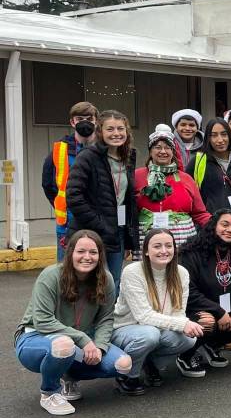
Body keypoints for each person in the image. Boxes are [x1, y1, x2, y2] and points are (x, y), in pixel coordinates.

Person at [15, 230, 132, 415]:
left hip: (75, 342)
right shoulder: (51, 276)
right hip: (35, 338)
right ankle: (49, 392)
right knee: (64, 345)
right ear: (70, 253)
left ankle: (68, 376)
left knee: (122, 364)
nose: (87, 257)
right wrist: (84, 340)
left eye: (93, 252)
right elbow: (43, 321)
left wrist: (99, 347)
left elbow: (106, 318)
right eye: (81, 251)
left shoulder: (106, 279)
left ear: (100, 255)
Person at [111, 229, 203, 394]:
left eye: (169, 246)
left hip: (156, 328)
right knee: (149, 335)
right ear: (146, 250)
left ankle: (149, 363)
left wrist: (183, 324)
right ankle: (128, 376)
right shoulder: (132, 272)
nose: (164, 251)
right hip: (125, 328)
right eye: (157, 246)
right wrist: (182, 323)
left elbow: (178, 312)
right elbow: (143, 316)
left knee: (189, 339)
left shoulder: (181, 273)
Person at [176, 209, 231, 376]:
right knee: (207, 322)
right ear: (213, 226)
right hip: (196, 310)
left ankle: (210, 346)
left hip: (228, 309)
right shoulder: (192, 252)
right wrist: (218, 312)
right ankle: (186, 355)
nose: (230, 230)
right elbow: (189, 292)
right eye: (224, 225)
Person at [66, 109, 137, 288]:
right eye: (110, 129)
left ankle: (109, 317)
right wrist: (100, 224)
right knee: (89, 282)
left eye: (121, 129)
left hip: (117, 233)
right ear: (100, 132)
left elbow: (126, 199)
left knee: (113, 282)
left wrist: (128, 237)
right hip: (91, 232)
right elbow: (74, 197)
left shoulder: (128, 157)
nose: (116, 134)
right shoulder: (88, 157)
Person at [134, 124, 211, 252]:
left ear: (173, 151)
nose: (163, 151)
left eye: (167, 148)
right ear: (150, 151)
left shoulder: (186, 178)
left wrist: (217, 226)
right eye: (157, 147)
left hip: (182, 240)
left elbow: (200, 213)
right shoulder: (137, 176)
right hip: (146, 239)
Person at [42, 101, 98, 259]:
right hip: (67, 222)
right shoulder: (59, 150)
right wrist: (63, 205)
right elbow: (48, 185)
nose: (85, 122)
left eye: (89, 118)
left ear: (96, 121)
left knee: (96, 267)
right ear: (72, 122)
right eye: (80, 118)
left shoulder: (104, 149)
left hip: (98, 219)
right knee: (65, 269)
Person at [185, 117, 231, 216]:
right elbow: (187, 194)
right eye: (214, 135)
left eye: (224, 134)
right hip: (208, 224)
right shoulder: (197, 161)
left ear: (229, 136)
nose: (220, 140)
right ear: (208, 138)